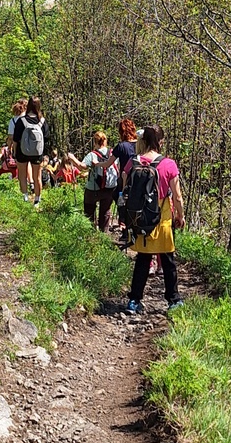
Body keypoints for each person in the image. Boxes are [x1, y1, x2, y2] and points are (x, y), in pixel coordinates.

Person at [122, 124, 184, 313]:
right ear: (161, 142)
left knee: (143, 258)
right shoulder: (168, 164)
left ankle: (134, 301)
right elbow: (177, 196)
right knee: (168, 260)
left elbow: (125, 188)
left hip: (140, 218)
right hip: (161, 219)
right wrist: (180, 216)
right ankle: (173, 300)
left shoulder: (133, 162)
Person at [69, 129, 119, 232]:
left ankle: (90, 232)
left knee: (89, 209)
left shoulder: (92, 155)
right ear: (105, 141)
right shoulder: (113, 153)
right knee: (105, 211)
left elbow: (82, 166)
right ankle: (103, 234)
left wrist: (72, 158)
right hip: (110, 188)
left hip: (93, 188)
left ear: (95, 142)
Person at [11, 95, 49, 207]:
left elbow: (15, 139)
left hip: (22, 151)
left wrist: (15, 152)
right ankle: (37, 200)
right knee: (37, 177)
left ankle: (25, 198)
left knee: (22, 176)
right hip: (37, 153)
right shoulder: (42, 121)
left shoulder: (21, 121)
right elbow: (46, 138)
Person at [112, 118, 138, 240]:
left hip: (124, 179)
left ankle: (124, 227)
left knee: (120, 200)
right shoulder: (140, 145)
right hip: (138, 179)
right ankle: (133, 229)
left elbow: (109, 163)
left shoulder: (121, 146)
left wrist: (97, 164)